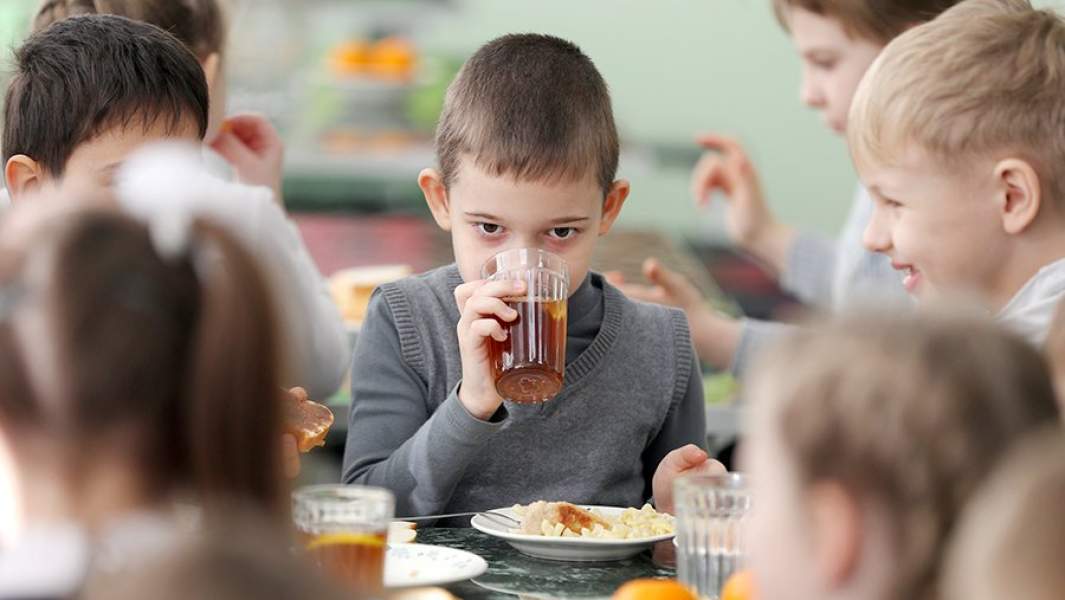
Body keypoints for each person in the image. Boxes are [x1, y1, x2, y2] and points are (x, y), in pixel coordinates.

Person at [342, 33, 719, 520]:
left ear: (608, 209)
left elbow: (676, 544)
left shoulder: (662, 345)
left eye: (560, 232)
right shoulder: (405, 319)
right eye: (489, 228)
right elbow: (367, 514)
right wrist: (471, 402)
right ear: (441, 200)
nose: (523, 269)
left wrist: (676, 511)